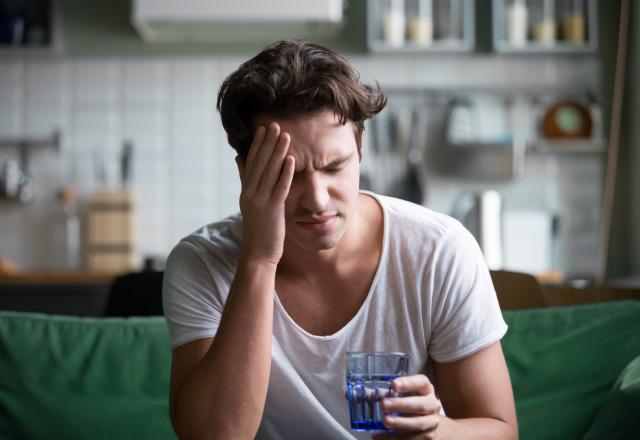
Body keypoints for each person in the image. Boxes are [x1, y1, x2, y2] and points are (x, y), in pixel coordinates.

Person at [163, 40, 518, 440]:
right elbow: (216, 436)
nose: (317, 199)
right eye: (289, 173)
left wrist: (438, 432)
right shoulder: (202, 262)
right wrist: (259, 260)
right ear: (246, 173)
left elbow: (501, 431)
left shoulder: (440, 250)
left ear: (360, 148)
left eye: (335, 166)